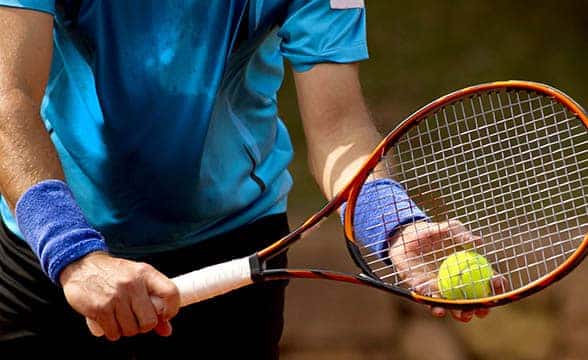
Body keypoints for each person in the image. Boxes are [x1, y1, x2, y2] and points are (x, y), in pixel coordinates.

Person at [0, 1, 491, 358]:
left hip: (233, 246)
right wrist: (74, 255)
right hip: (47, 249)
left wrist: (392, 223)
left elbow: (339, 128)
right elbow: (9, 98)